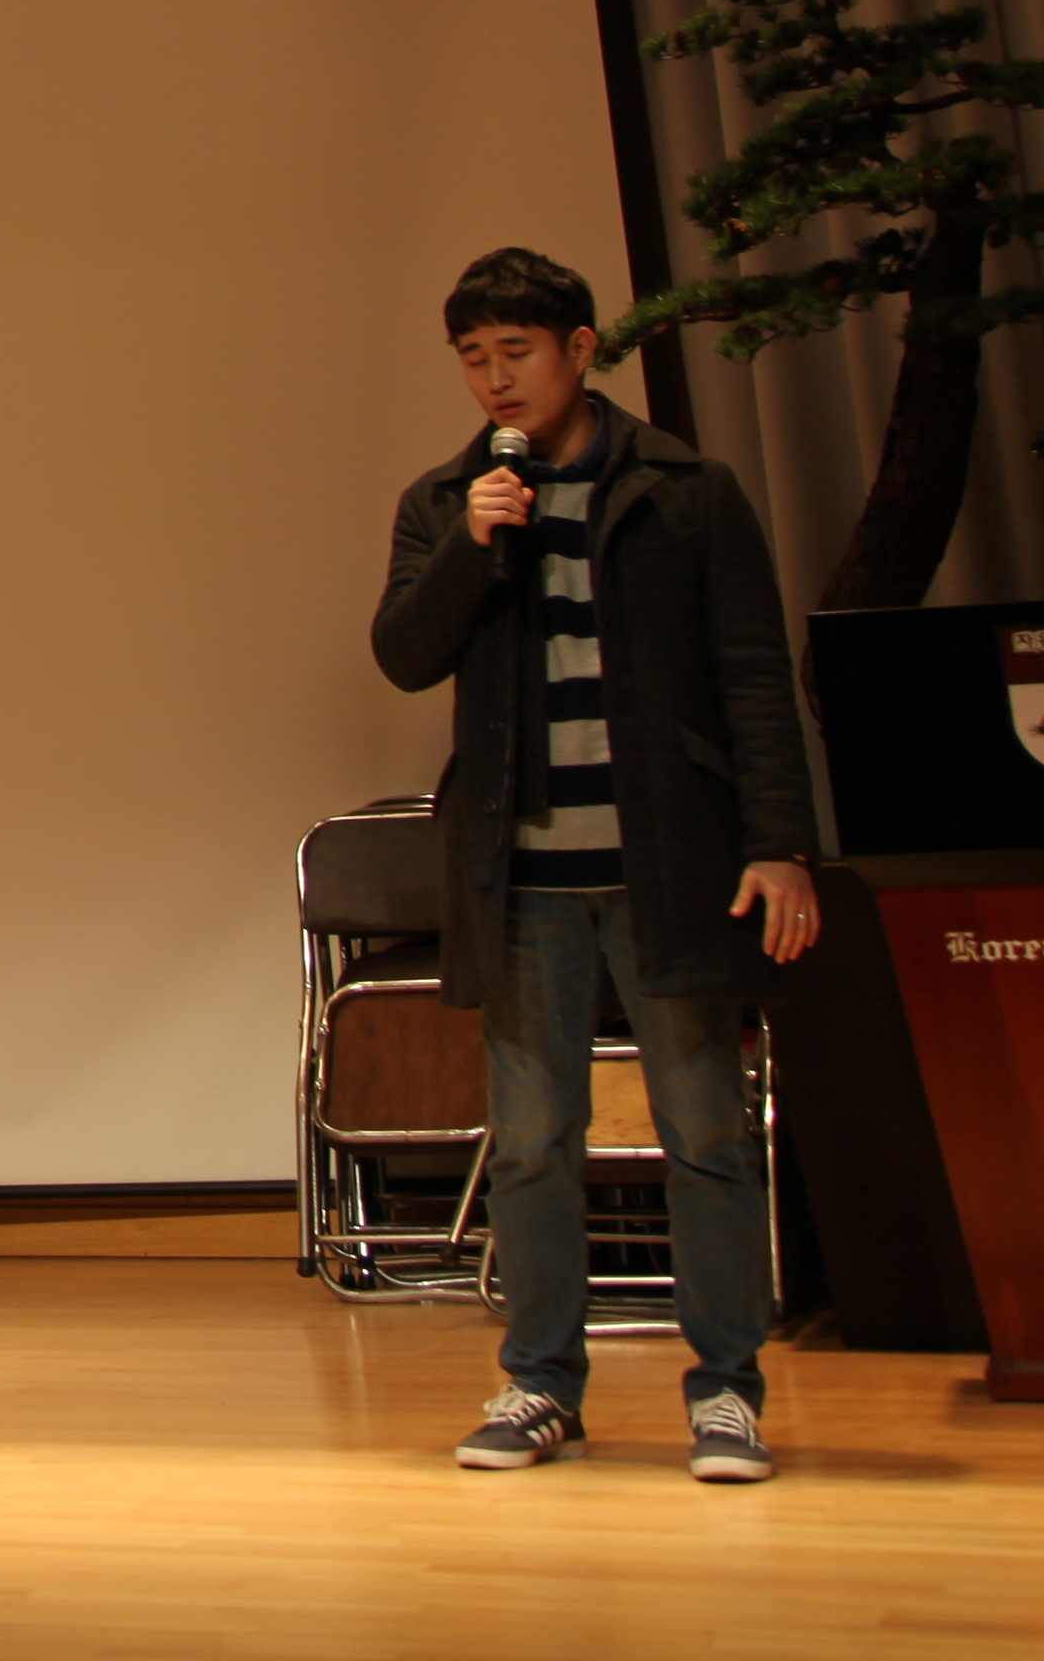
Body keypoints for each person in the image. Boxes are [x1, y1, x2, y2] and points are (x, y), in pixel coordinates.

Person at [370, 248, 818, 1484]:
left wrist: (780, 843)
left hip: (671, 860)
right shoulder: (446, 500)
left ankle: (725, 1392)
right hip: (521, 877)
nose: (494, 379)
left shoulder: (686, 488)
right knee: (529, 1141)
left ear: (580, 349)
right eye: (473, 357)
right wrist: (472, 546)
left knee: (706, 1130)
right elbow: (405, 654)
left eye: (516, 351)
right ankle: (538, 1385)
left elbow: (752, 675)